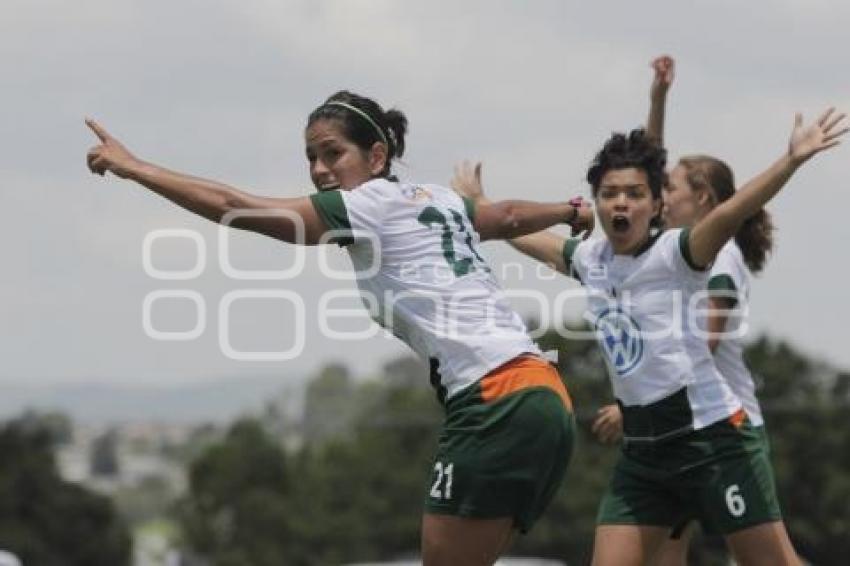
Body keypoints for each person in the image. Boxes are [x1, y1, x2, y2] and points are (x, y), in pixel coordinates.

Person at [85, 90, 594, 566]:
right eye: (311, 157)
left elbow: (230, 207)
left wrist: (135, 168)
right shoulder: (435, 199)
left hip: (494, 400)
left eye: (333, 153)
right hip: (546, 397)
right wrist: (567, 210)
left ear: (376, 157)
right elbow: (504, 216)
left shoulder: (368, 205)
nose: (319, 169)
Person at [451, 100, 846, 563]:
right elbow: (524, 237)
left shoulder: (677, 253)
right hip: (644, 457)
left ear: (656, 204)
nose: (621, 201)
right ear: (596, 202)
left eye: (635, 193)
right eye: (610, 192)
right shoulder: (590, 260)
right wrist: (480, 205)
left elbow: (734, 209)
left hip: (714, 441)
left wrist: (791, 160)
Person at [590, 55, 796, 565]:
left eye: (671, 189)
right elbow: (650, 164)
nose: (658, 196)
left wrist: (638, 399)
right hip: (672, 431)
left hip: (719, 421)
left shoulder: (718, 254)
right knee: (664, 558)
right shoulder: (665, 247)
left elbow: (700, 340)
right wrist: (659, 99)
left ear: (700, 199)